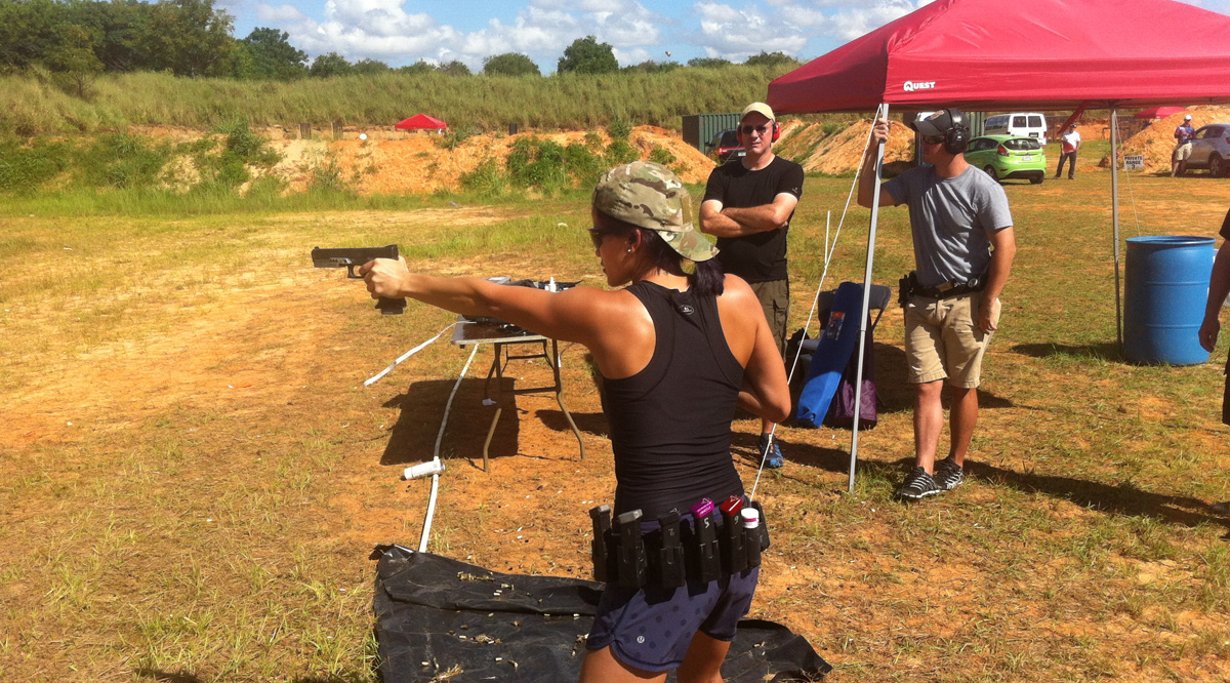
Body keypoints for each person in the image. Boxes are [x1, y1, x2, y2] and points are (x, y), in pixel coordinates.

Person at [361, 161, 790, 682]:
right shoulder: (739, 294)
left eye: (598, 236)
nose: (594, 249)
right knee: (702, 677)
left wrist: (403, 281)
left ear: (633, 239)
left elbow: (485, 297)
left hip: (665, 556)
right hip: (732, 538)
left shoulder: (611, 313)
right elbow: (777, 404)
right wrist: (710, 378)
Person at [857, 109, 1017, 501]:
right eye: (922, 138)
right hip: (922, 302)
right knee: (926, 387)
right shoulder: (915, 181)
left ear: (955, 142)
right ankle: (922, 470)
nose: (923, 145)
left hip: (968, 301)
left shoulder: (983, 187)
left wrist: (989, 301)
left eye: (931, 139)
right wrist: (872, 150)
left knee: (963, 387)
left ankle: (955, 464)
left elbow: (1006, 247)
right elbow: (867, 198)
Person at [700, 101, 804, 469]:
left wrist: (730, 213)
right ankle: (712, 432)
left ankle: (767, 437)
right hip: (722, 281)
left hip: (768, 282)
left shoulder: (789, 171)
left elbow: (778, 214)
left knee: (768, 361)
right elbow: (707, 223)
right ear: (740, 133)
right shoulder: (723, 174)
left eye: (761, 128)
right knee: (715, 355)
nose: (754, 135)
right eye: (748, 129)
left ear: (774, 131)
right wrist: (758, 220)